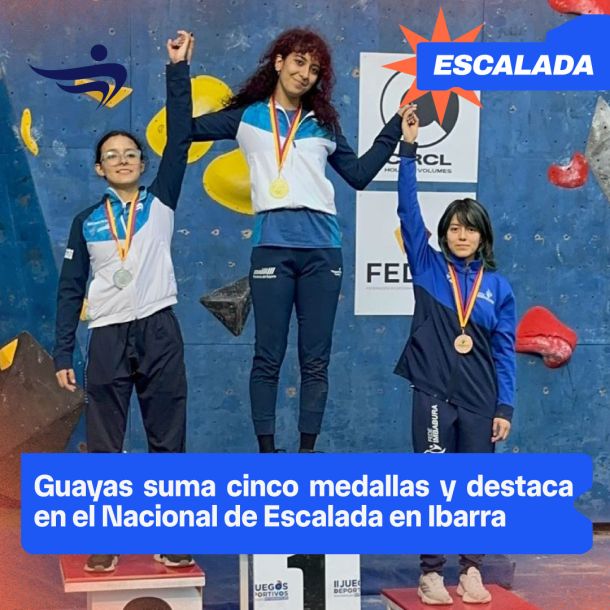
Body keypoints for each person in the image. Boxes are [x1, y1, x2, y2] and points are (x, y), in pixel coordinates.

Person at [191, 28, 406, 453]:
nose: (305, 73)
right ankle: (267, 453)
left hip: (322, 250)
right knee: (267, 356)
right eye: (298, 62)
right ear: (278, 62)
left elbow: (359, 176)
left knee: (315, 359)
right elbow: (184, 129)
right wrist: (179, 69)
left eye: (314, 69)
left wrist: (396, 126)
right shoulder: (247, 117)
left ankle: (307, 452)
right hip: (272, 246)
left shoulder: (322, 125)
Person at [53, 31, 195, 573]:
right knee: (105, 445)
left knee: (168, 441)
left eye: (130, 154)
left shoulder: (162, 202)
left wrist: (178, 71)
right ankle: (106, 539)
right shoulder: (86, 221)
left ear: (142, 163)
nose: (122, 160)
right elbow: (70, 289)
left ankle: (171, 536)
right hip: (108, 336)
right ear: (99, 168)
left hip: (159, 331)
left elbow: (179, 139)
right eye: (111, 155)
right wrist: (63, 352)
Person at [395, 106, 516, 604]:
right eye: (453, 228)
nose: (460, 235)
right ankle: (430, 573)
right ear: (444, 234)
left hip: (480, 400)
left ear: (482, 237)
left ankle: (470, 571)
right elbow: (408, 212)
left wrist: (504, 407)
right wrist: (408, 150)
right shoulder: (428, 268)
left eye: (469, 229)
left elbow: (504, 352)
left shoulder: (498, 288)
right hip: (432, 394)